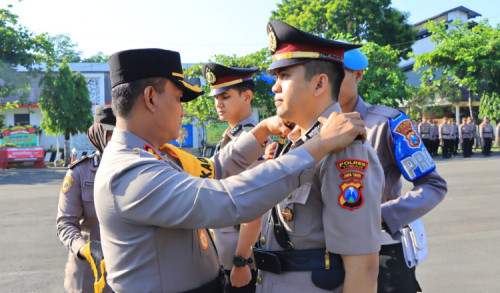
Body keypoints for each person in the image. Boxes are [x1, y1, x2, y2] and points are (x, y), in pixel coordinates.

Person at [94, 48, 367, 293]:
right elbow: (228, 199)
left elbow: (214, 169)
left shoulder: (154, 156)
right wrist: (318, 145)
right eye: (179, 99)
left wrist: (260, 130)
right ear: (151, 98)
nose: (183, 111)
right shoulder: (130, 172)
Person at [253, 20, 384, 293]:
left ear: (319, 83)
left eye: (284, 76)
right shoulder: (295, 144)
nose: (274, 87)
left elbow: (363, 268)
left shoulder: (344, 149)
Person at [338, 49, 447, 293]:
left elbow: (433, 185)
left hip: (380, 250)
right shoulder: (310, 129)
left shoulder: (389, 123)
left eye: (339, 73)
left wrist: (381, 216)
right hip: (322, 257)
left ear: (359, 75)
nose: (329, 81)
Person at [202, 62, 261, 292]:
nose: (218, 103)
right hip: (224, 255)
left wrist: (241, 260)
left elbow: (255, 205)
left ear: (247, 96)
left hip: (241, 259)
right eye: (216, 97)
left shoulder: (252, 140)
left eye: (225, 96)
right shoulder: (230, 137)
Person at [56, 105, 115, 293]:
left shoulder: (138, 168)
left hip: (130, 272)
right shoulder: (80, 172)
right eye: (110, 134)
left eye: (121, 133)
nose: (116, 141)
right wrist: (85, 250)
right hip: (89, 274)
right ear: (98, 135)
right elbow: (65, 223)